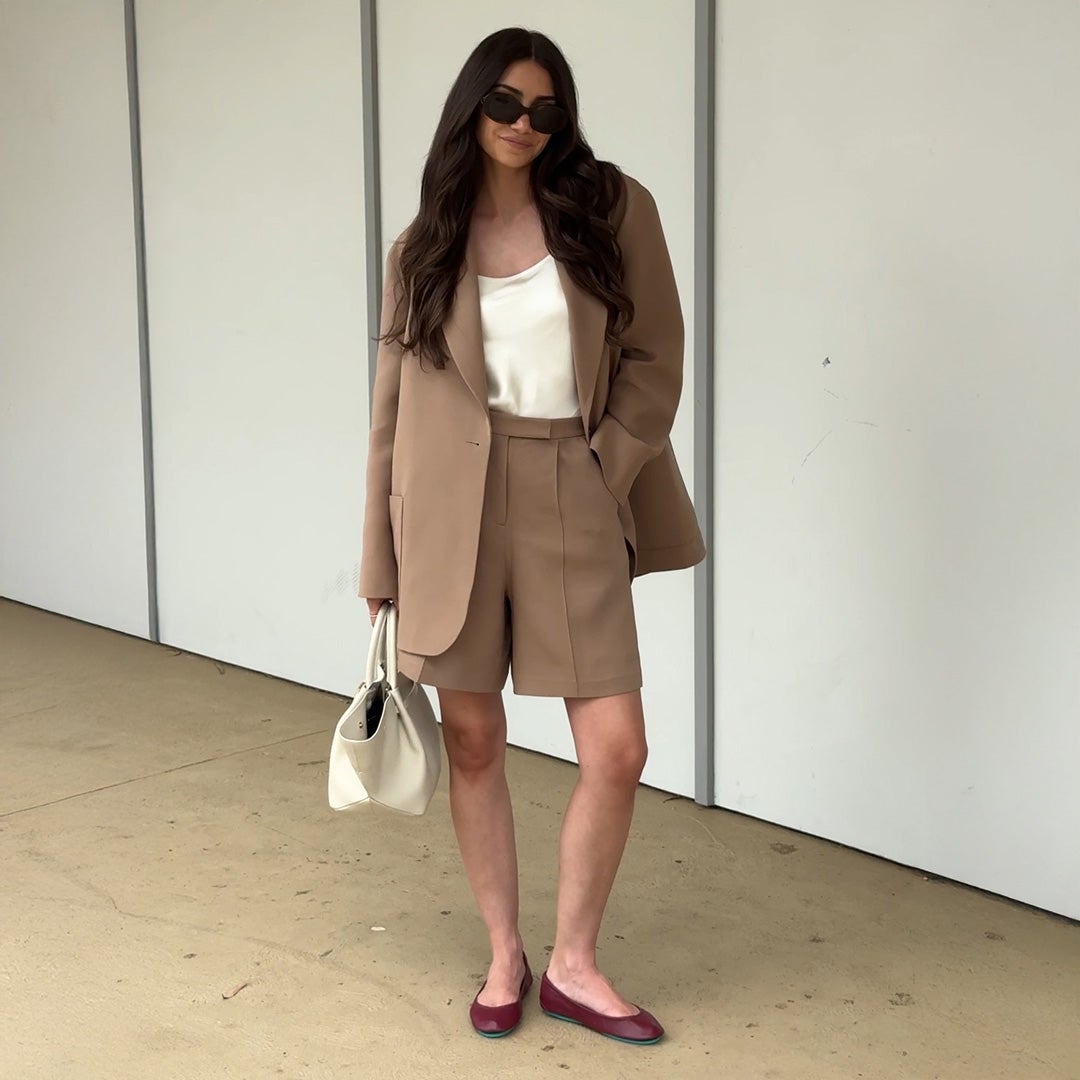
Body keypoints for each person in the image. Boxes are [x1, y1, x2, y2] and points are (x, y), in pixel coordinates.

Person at [358, 26, 704, 1044]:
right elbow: (388, 409)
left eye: (545, 110)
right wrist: (377, 557)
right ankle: (506, 952)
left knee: (617, 747)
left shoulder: (610, 208)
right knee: (473, 738)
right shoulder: (423, 245)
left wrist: (611, 464)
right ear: (473, 107)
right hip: (448, 507)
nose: (523, 125)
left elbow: (656, 353)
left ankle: (576, 964)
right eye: (506, 104)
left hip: (572, 484)